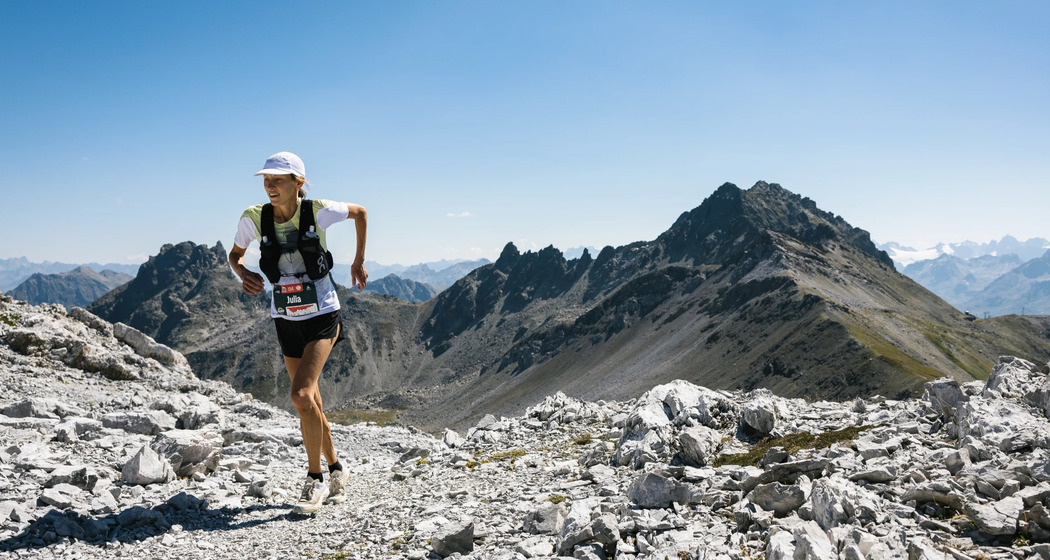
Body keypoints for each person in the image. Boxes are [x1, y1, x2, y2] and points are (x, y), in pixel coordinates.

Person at [228, 151, 368, 514]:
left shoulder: (318, 210)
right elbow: (235, 254)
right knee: (312, 402)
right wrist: (243, 274)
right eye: (266, 179)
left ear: (298, 183)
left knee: (301, 394)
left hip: (322, 313)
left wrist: (358, 261)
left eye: (278, 179)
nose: (270, 186)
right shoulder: (254, 217)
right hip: (285, 317)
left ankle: (315, 479)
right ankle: (337, 469)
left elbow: (360, 212)